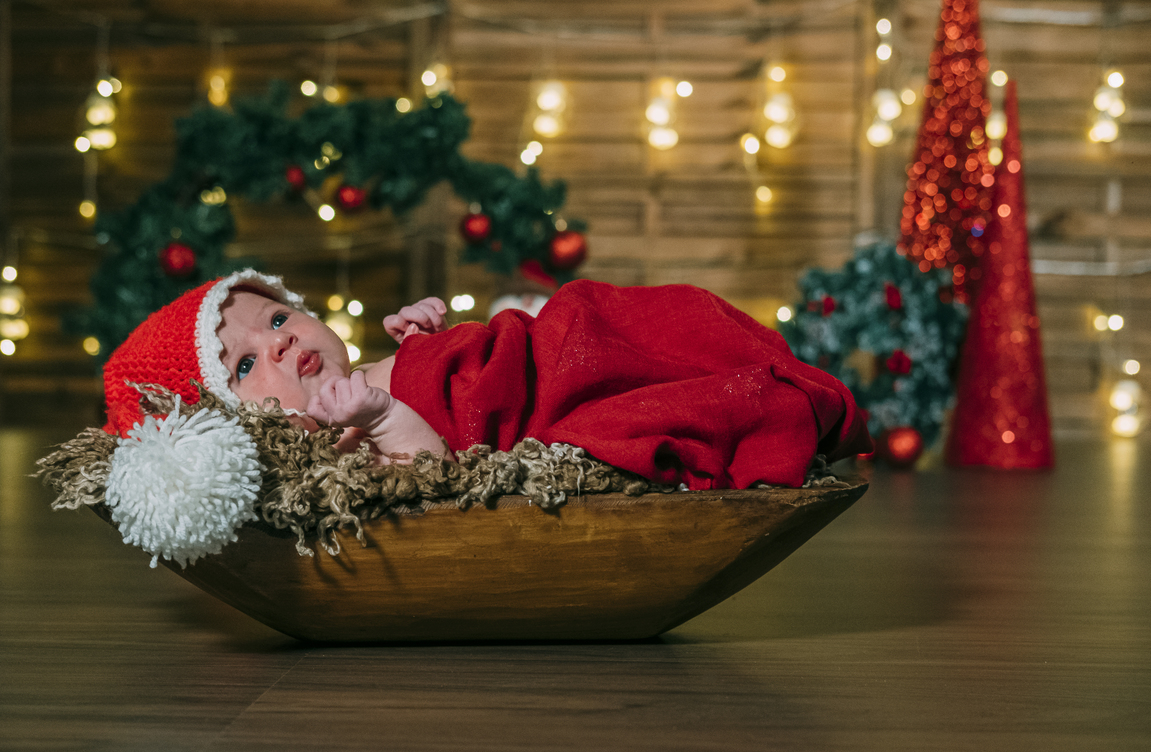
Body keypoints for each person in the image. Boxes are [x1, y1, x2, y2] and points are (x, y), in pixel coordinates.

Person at [102, 268, 871, 490]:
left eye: (277, 319)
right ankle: (780, 395)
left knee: (645, 315)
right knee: (654, 395)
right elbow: (434, 468)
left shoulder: (354, 368)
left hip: (546, 343)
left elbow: (450, 371)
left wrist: (425, 342)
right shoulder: (332, 442)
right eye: (242, 364)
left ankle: (761, 358)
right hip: (551, 392)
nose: (279, 344)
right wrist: (379, 414)